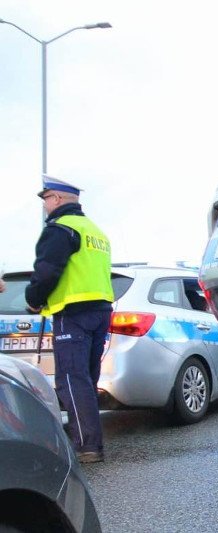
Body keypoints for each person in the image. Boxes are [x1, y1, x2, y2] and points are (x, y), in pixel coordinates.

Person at [25, 176, 113, 463]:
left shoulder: (60, 228)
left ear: (58, 199)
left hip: (72, 312)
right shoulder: (95, 231)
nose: (45, 206)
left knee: (72, 380)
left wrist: (33, 299)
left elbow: (47, 270)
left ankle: (87, 446)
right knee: (86, 378)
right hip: (101, 310)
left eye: (46, 199)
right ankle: (91, 440)